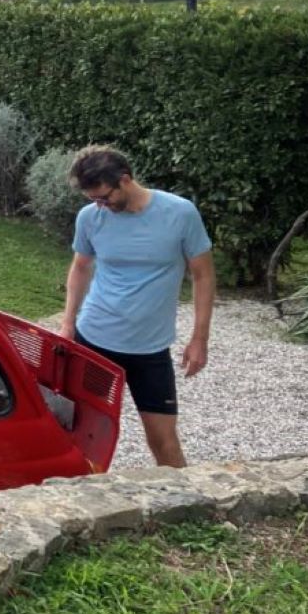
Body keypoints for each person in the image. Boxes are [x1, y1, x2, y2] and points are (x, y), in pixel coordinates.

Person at [59, 146, 215, 468]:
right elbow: (80, 267)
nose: (100, 206)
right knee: (85, 437)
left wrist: (200, 339)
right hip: (95, 341)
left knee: (163, 441)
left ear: (125, 180)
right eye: (93, 200)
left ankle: (185, 507)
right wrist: (67, 323)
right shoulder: (90, 217)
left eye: (104, 197)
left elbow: (203, 275)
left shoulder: (180, 213)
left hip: (149, 350)